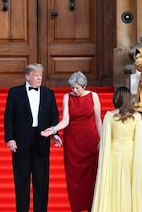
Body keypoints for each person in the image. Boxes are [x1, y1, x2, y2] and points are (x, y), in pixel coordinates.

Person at [4, 63, 62, 212]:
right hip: (21, 143)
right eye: (36, 76)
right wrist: (10, 138)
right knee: (21, 181)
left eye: (40, 76)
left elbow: (54, 116)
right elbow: (8, 117)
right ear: (27, 76)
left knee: (41, 182)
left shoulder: (49, 93)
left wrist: (54, 133)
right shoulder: (15, 93)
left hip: (41, 143)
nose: (39, 78)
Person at [41, 71, 102, 212]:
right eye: (72, 88)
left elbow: (98, 120)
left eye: (77, 88)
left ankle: (92, 207)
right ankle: (77, 207)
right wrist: (54, 129)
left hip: (90, 140)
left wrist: (103, 138)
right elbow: (66, 120)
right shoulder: (67, 97)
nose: (74, 91)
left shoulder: (94, 96)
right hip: (73, 142)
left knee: (92, 176)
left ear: (84, 86)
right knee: (74, 178)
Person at [91, 86, 142, 212]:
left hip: (114, 155)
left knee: (114, 186)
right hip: (132, 155)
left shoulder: (109, 116)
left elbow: (105, 140)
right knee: (130, 186)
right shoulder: (136, 117)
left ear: (116, 99)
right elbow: (140, 139)